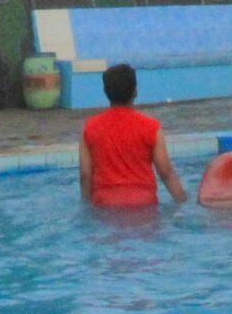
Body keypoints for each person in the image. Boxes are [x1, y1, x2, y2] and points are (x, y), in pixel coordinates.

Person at [80, 62, 187, 208]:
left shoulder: (90, 128)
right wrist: (183, 201)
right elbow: (166, 173)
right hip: (144, 205)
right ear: (135, 91)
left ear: (106, 92)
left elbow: (85, 175)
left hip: (106, 205)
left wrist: (86, 206)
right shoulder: (151, 127)